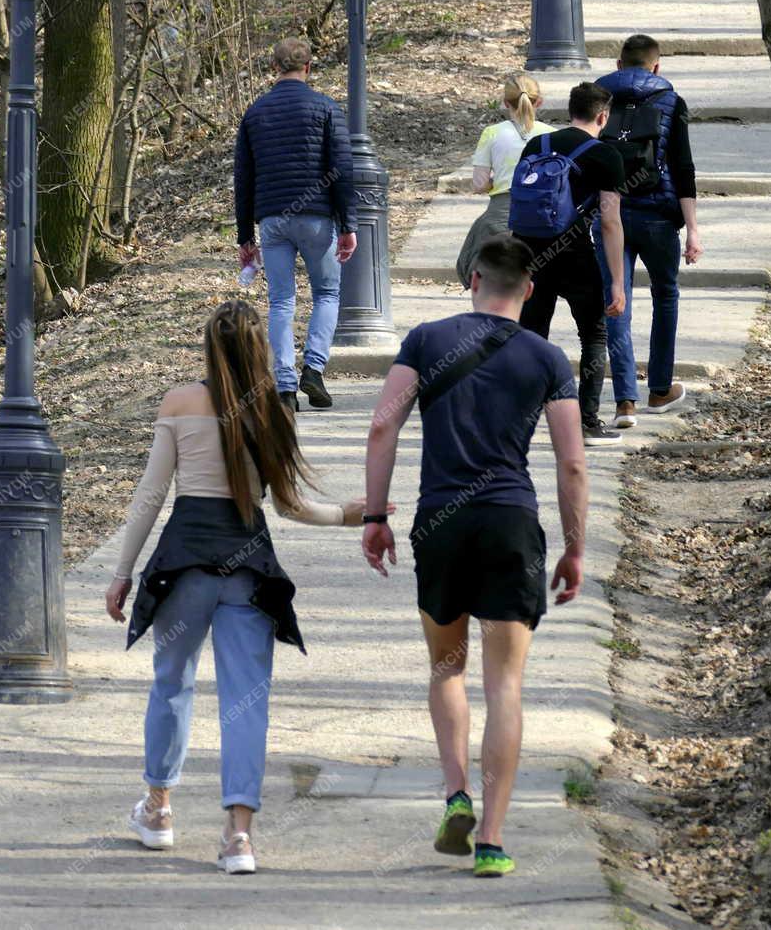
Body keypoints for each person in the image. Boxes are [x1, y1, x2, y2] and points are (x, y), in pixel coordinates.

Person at [105, 300, 381, 875]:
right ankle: (238, 837)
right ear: (262, 349)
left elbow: (151, 497)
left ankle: (158, 810)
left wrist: (123, 572)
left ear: (210, 347)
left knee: (172, 685)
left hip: (183, 568)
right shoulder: (275, 413)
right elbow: (288, 505)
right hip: (249, 572)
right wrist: (347, 516)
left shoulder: (180, 402)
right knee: (245, 701)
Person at [360, 235, 589, 879]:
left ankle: (455, 791)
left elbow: (383, 426)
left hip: (442, 522)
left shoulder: (427, 340)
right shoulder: (547, 357)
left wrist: (376, 517)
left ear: (473, 279)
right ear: (530, 290)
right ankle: (490, 838)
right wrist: (573, 547)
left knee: (447, 669)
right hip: (512, 523)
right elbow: (571, 462)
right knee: (506, 685)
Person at [234, 35, 357, 414]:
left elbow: (243, 176)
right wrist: (348, 223)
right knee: (327, 294)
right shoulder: (325, 108)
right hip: (318, 216)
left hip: (273, 220)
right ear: (308, 68)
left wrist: (244, 236)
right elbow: (342, 168)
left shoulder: (255, 113)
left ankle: (285, 385)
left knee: (281, 301)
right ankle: (314, 370)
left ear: (274, 68)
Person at [593, 34, 703, 429]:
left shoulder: (598, 98)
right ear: (656, 66)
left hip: (610, 217)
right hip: (658, 217)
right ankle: (659, 389)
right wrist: (692, 229)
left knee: (615, 301)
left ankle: (625, 402)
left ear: (619, 64)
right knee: (666, 295)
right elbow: (684, 168)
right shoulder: (670, 101)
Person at [512, 82, 627, 445]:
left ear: (570, 110)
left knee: (531, 336)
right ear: (603, 116)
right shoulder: (606, 155)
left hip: (529, 253)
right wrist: (618, 282)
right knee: (593, 335)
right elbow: (610, 222)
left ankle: (521, 420)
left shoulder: (537, 145)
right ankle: (586, 422)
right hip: (575, 253)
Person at [455, 72, 554, 289]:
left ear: (504, 102)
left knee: (475, 257)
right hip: (542, 215)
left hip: (502, 214)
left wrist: (495, 181)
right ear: (540, 102)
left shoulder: (492, 133)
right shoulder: (552, 135)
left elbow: (479, 184)